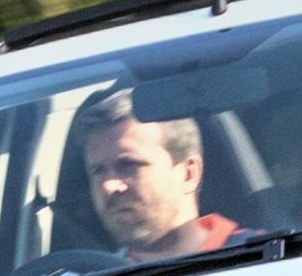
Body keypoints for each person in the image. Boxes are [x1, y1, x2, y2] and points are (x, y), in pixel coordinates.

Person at [73, 89, 247, 261]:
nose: (108, 186)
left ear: (189, 174)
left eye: (129, 165)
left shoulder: (261, 259)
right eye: (98, 171)